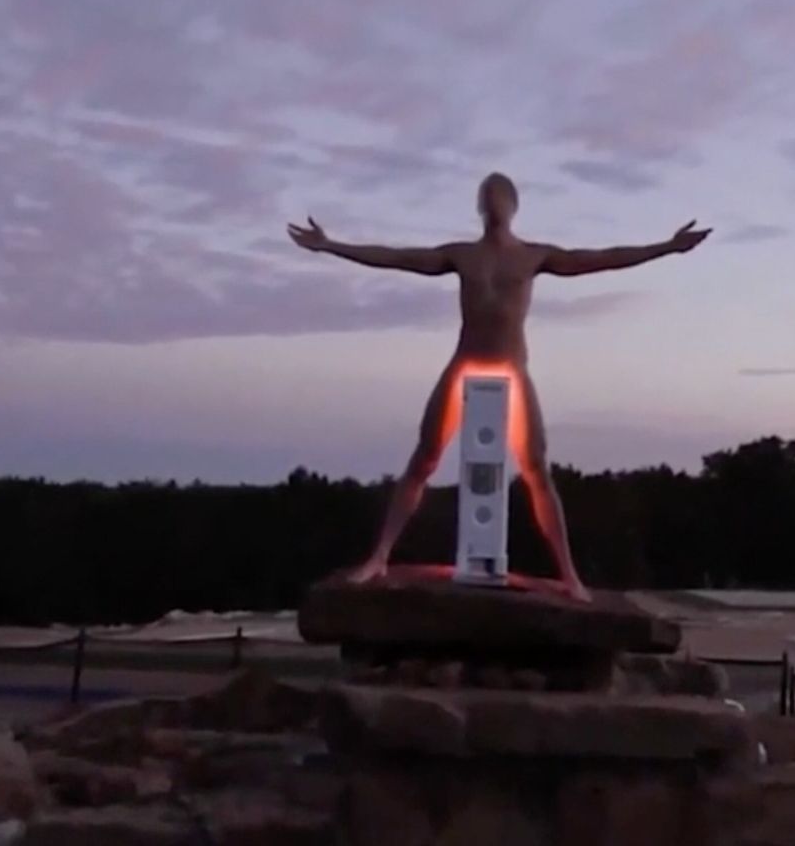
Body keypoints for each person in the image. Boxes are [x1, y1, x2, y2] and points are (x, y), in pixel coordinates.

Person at [288, 172, 711, 600]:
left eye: (499, 195)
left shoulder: (533, 256)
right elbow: (396, 256)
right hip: (464, 366)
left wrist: (665, 247)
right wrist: (331, 246)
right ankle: (378, 556)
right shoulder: (461, 255)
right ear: (479, 205)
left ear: (513, 205)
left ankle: (569, 575)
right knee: (424, 458)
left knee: (536, 469)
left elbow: (602, 257)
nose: (492, 201)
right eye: (485, 195)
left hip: (512, 369)